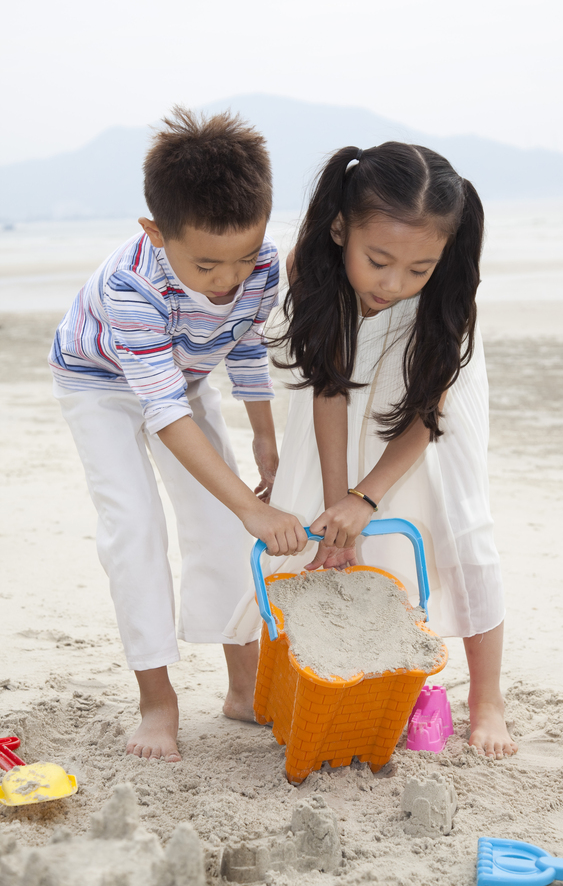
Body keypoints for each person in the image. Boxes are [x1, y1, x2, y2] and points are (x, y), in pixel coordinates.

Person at [224, 141, 517, 760]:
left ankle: (487, 697)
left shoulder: (446, 297)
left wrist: (368, 494)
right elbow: (326, 387)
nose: (393, 284)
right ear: (339, 230)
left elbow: (427, 415)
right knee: (327, 534)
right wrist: (341, 504)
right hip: (338, 410)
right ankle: (340, 669)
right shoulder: (311, 268)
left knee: (458, 526)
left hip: (425, 422)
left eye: (418, 269)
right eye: (378, 261)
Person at [49, 107, 308, 762]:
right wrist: (252, 507)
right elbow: (163, 414)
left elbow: (245, 344)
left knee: (219, 525)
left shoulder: (262, 268)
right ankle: (157, 702)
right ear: (155, 233)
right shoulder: (130, 286)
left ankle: (242, 690)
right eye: (207, 265)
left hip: (183, 378)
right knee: (134, 527)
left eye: (245, 257)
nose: (228, 280)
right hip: (98, 382)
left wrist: (264, 441)